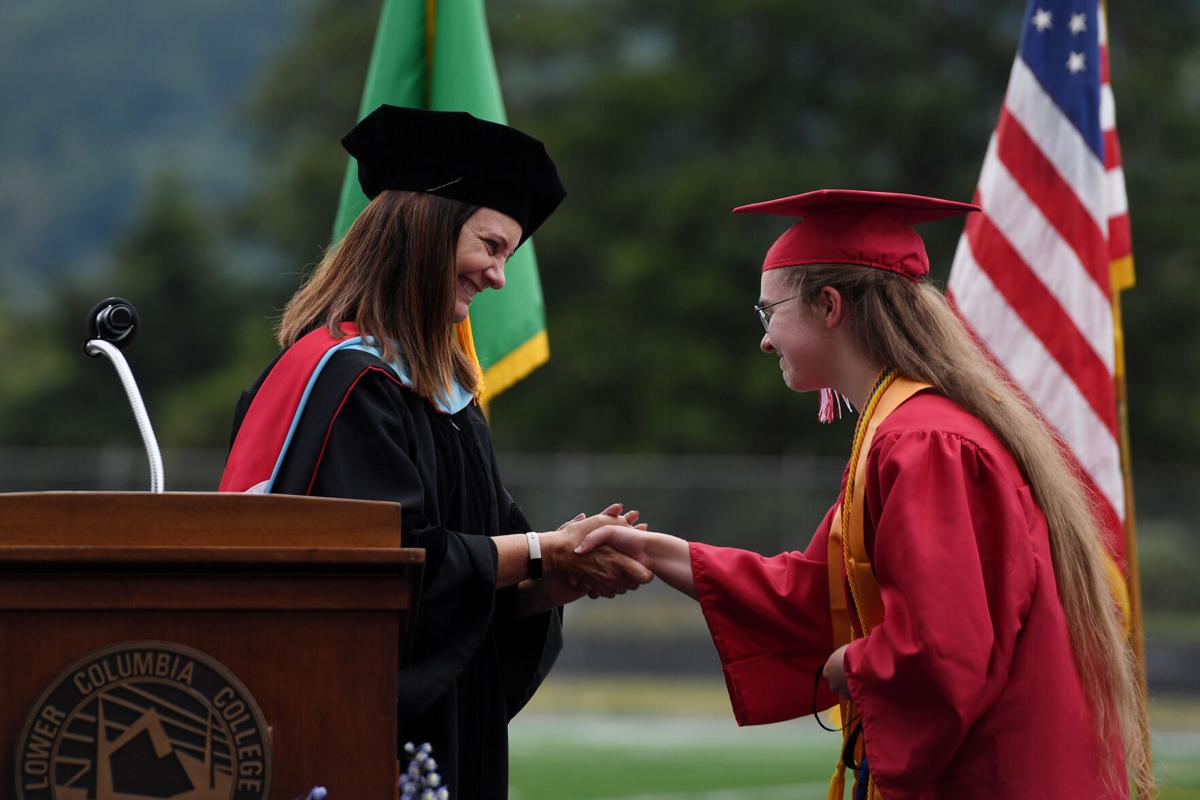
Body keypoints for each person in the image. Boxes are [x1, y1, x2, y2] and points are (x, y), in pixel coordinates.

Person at [578, 189, 1153, 799]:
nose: (765, 340)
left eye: (768, 313)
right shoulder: (904, 428)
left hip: (997, 775)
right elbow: (816, 594)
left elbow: (942, 647)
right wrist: (656, 553)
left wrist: (848, 666)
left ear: (829, 306)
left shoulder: (924, 442)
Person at [219, 104, 652, 798]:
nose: (498, 276)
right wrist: (544, 550)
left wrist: (550, 584)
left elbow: (468, 575)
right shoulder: (347, 380)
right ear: (425, 230)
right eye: (490, 245)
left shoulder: (440, 394)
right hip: (355, 731)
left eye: (507, 254)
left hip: (449, 729)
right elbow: (387, 567)